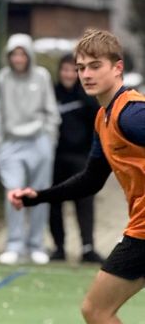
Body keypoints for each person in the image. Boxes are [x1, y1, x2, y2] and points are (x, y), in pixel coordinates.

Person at [8, 28, 145, 324]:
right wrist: (38, 196)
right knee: (97, 310)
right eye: (81, 67)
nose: (86, 74)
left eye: (95, 66)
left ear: (117, 68)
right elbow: (90, 180)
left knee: (97, 310)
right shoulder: (105, 118)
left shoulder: (131, 114)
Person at [0, 33, 61, 265]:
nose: (18, 59)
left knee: (38, 194)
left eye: (22, 54)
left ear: (29, 55)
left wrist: (49, 140)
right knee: (14, 193)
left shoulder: (41, 76)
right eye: (14, 54)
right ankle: (14, 244)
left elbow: (51, 110)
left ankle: (36, 245)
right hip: (11, 142)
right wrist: (0, 142)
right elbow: (0, 111)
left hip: (39, 141)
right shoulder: (3, 77)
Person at [49, 53, 102, 264]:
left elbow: (98, 127)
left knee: (85, 202)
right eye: (65, 70)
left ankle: (87, 248)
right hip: (55, 158)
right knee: (54, 202)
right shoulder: (51, 93)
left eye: (74, 70)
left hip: (81, 158)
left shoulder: (88, 96)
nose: (69, 74)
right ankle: (59, 248)